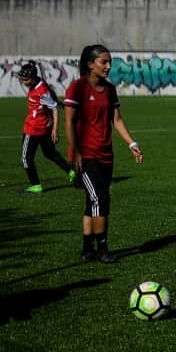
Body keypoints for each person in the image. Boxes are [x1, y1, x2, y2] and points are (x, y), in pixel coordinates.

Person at [64, 45, 144, 263]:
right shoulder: (77, 88)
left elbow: (116, 119)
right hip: (85, 155)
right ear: (90, 64)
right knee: (100, 199)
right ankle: (102, 249)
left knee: (92, 202)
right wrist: (76, 152)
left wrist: (131, 143)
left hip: (106, 154)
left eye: (110, 62)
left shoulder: (109, 89)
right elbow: (69, 122)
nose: (108, 66)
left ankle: (87, 249)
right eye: (104, 62)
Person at [17, 62, 74, 194]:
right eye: (22, 79)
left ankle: (36, 185)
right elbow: (51, 95)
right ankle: (71, 171)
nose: (24, 82)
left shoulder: (40, 91)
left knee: (26, 158)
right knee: (50, 153)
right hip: (44, 126)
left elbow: (54, 108)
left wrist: (55, 130)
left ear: (33, 78)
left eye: (26, 80)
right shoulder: (40, 82)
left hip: (34, 128)